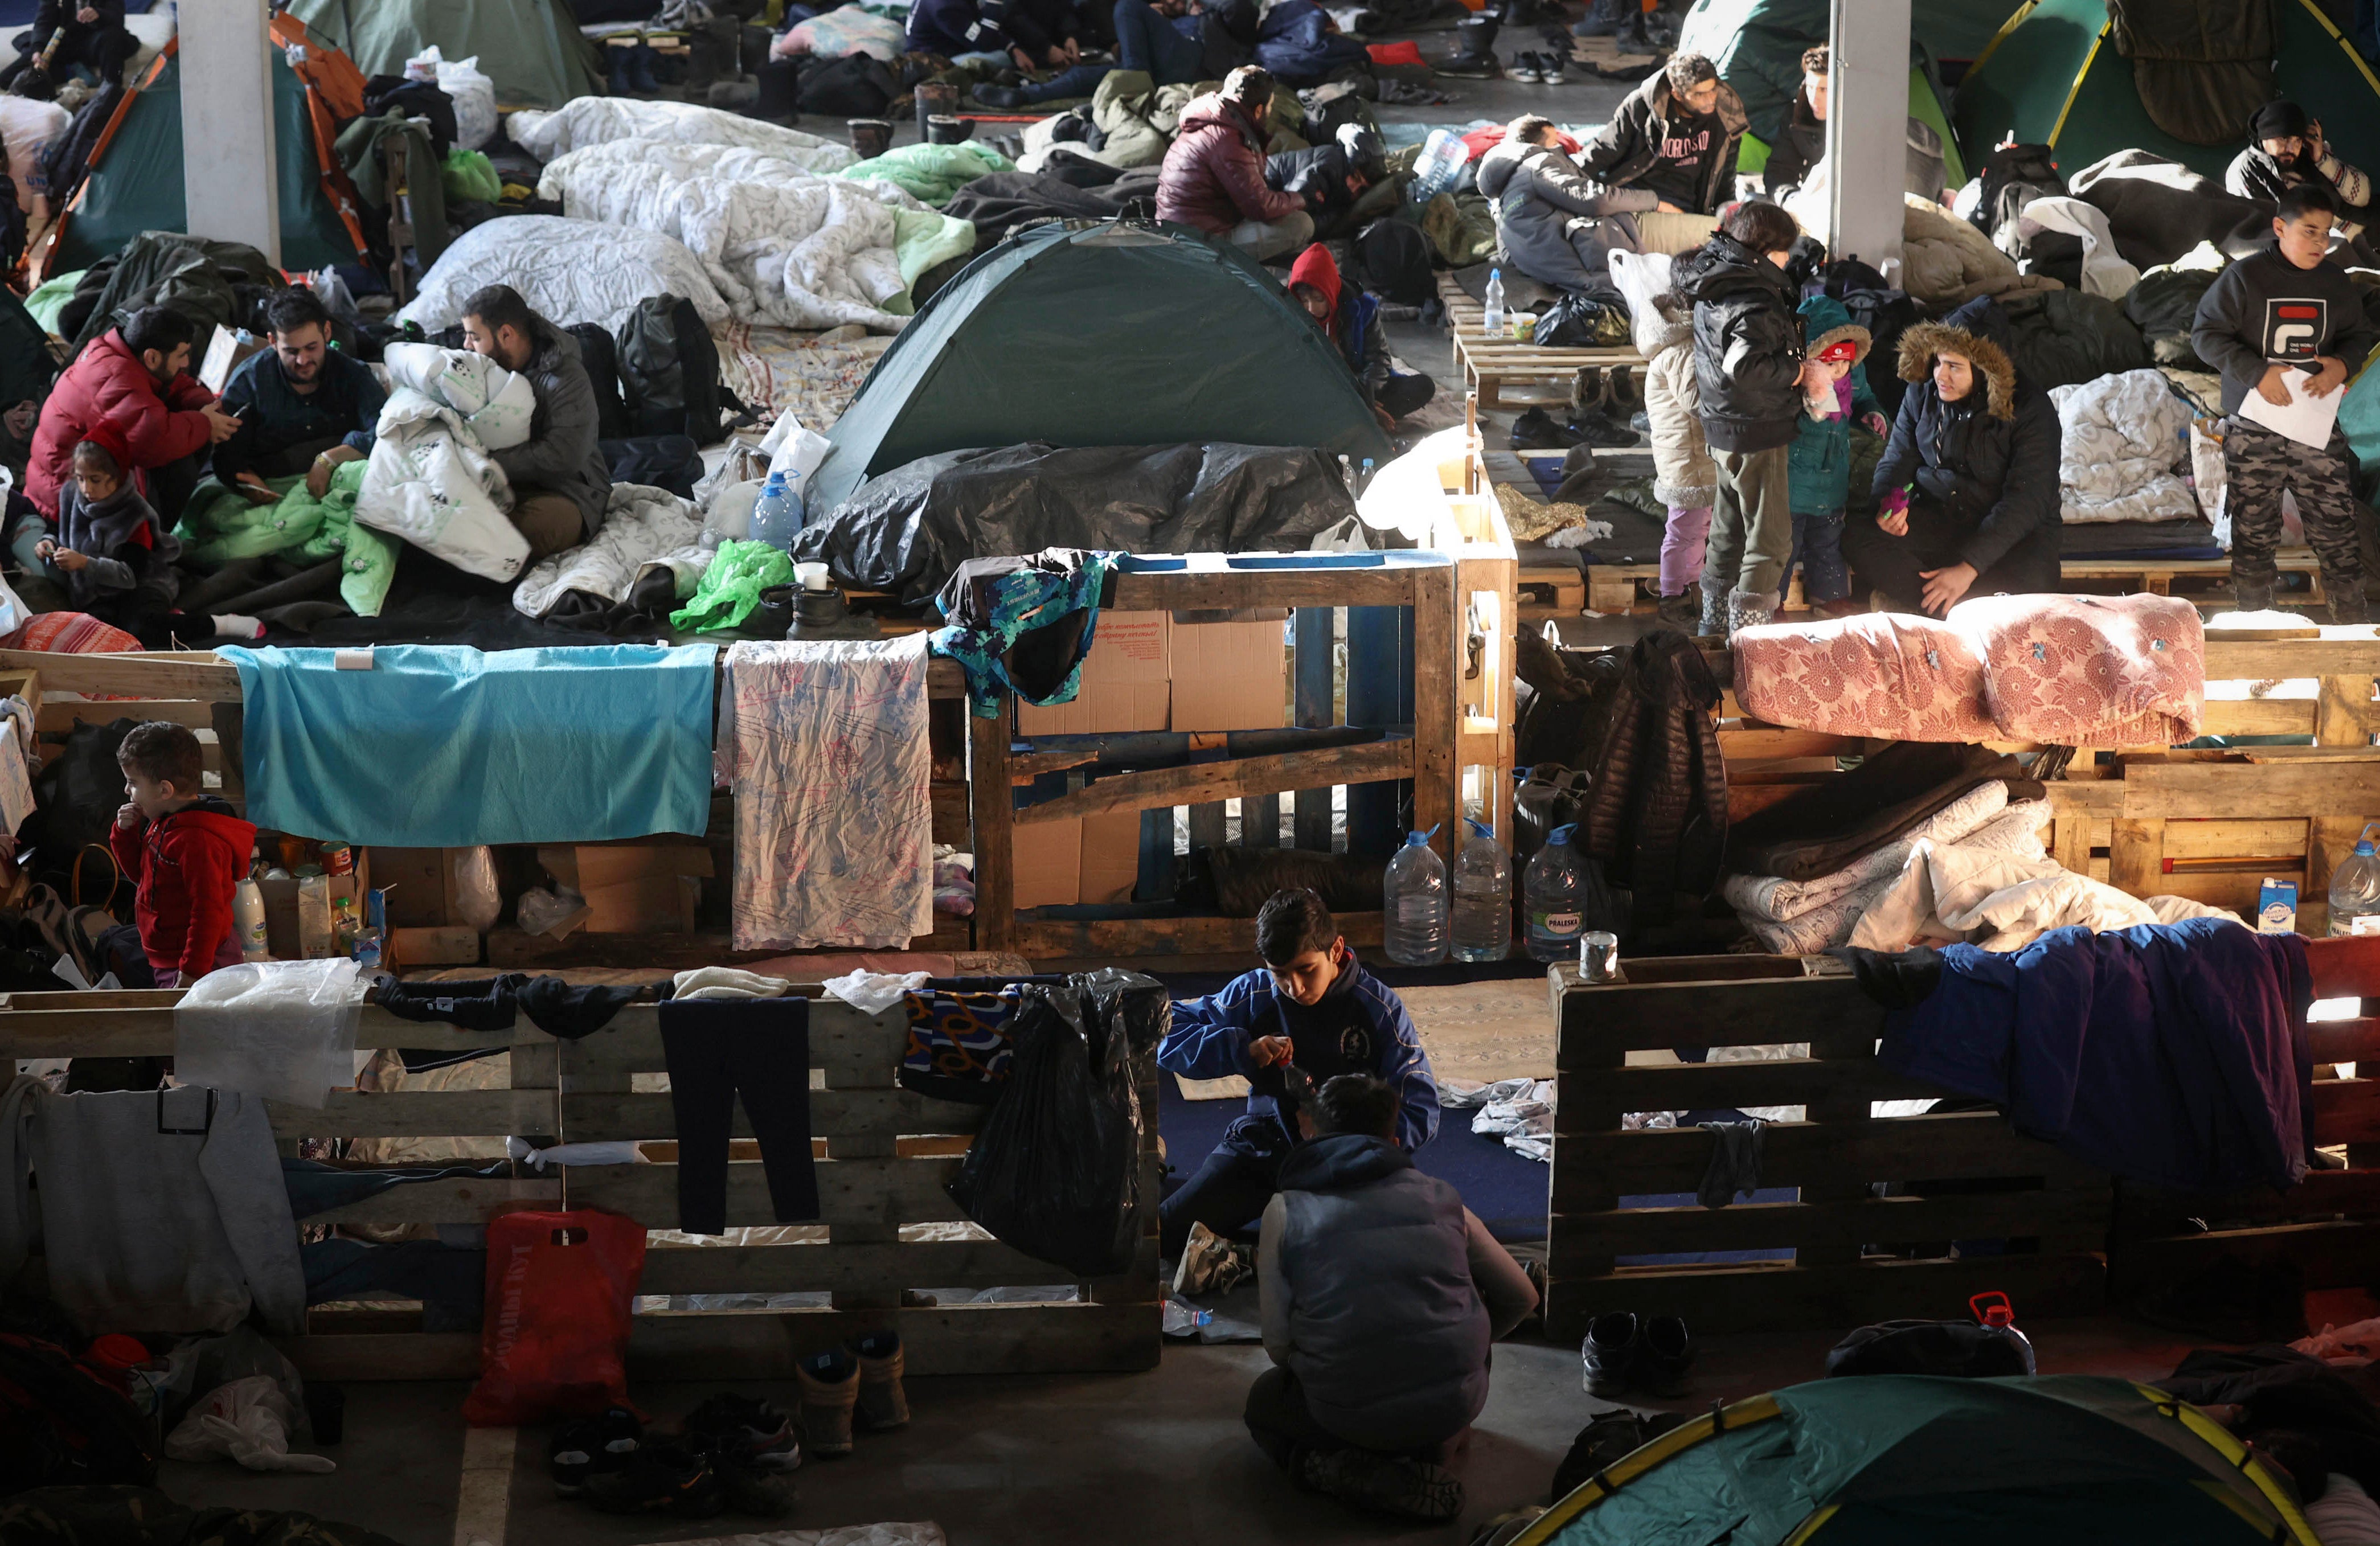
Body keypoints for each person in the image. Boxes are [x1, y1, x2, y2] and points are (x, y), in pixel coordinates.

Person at [1244, 1073, 1538, 1521]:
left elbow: (1278, 1347)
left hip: (1342, 1417)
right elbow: (1521, 1297)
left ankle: (1327, 1467)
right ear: (1396, 1140)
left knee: (1264, 1402)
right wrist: (1460, 1343)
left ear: (1310, 1134)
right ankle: (1432, 1451)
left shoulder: (1286, 1210)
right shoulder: (1445, 1199)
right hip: (1447, 1412)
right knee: (1471, 1317)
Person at [1156, 888, 1439, 1260]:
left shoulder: (1379, 1008)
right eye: (1281, 974)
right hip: (1265, 1148)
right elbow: (1162, 1030)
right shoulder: (1255, 991)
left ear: (1335, 950)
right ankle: (1158, 1169)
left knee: (1384, 1255)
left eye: (1307, 970)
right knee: (1165, 1235)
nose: (1296, 987)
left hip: (1348, 1164)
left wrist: (1340, 1139)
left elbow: (1422, 1110)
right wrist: (1240, 1049)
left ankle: (1265, 1250)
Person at [2191, 183, 2379, 621]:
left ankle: (2350, 631)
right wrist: (2256, 373)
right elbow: (2205, 335)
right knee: (2254, 531)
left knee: (2336, 527)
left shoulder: (2334, 280)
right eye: (2308, 231)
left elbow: (2358, 335)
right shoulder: (2244, 278)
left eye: (2325, 233)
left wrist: (2341, 365)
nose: (2318, 242)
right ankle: (2256, 626)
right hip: (2255, 423)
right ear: (2279, 227)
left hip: (2313, 423)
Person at [1840, 304, 2061, 616]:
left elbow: (2029, 499)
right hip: (1943, 519)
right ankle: (1958, 608)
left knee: (2034, 585)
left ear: (1986, 371)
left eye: (1954, 367)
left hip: (2010, 537)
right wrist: (1888, 507)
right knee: (1856, 535)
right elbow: (1898, 458)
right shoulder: (1923, 392)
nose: (1940, 376)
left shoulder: (2030, 409)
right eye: (1938, 362)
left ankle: (1935, 605)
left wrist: (1968, 567)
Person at [1674, 199, 1814, 636]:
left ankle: (1713, 630)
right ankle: (1748, 647)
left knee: (1729, 531)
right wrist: (1798, 372)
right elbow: (1744, 367)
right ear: (1763, 248)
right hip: (1756, 429)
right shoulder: (1754, 295)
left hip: (1722, 425)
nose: (1788, 259)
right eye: (1783, 251)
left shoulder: (1716, 279)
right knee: (1770, 541)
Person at [38, 434, 263, 647]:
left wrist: (85, 563)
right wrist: (47, 541)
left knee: (141, 628)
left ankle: (223, 624)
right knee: (92, 633)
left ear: (116, 477)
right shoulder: (70, 494)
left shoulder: (135, 514)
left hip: (140, 585)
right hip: (96, 591)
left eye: (95, 480)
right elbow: (57, 527)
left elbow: (130, 576)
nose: (86, 489)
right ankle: (167, 619)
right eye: (81, 479)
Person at [27, 305, 237, 525]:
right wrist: (205, 423)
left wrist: (209, 406)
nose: (186, 363)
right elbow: (154, 439)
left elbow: (175, 385)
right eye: (182, 355)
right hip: (66, 509)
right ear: (152, 357)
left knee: (188, 433)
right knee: (180, 463)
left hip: (72, 486)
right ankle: (155, 546)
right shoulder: (115, 378)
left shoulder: (118, 353)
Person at [457, 284, 610, 560]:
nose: (466, 346)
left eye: (474, 337)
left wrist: (488, 462)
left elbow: (564, 456)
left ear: (506, 334)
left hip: (568, 491)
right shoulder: (483, 369)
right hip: (503, 484)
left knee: (522, 534)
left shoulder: (565, 378)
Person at [109, 720, 258, 990]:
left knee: (199, 1028)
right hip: (170, 956)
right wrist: (124, 833)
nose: (126, 791)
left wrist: (192, 972)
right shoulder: (164, 820)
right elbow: (140, 877)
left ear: (165, 790)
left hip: (203, 962)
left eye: (132, 783)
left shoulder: (197, 841)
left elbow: (208, 911)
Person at [212, 288, 386, 504]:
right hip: (272, 484)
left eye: (311, 348)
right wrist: (245, 478)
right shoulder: (248, 383)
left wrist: (329, 459)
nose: (303, 361)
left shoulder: (353, 375)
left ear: (327, 332)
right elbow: (226, 453)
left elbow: (384, 429)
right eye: (291, 352)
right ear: (272, 342)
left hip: (341, 479)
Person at [1782, 294, 1889, 619]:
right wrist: (1814, 398)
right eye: (1830, 364)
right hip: (1795, 480)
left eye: (1845, 362)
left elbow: (1865, 398)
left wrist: (1872, 413)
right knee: (1784, 545)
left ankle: (1829, 597)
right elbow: (1808, 411)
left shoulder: (1852, 376)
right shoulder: (1796, 382)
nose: (1840, 370)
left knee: (1828, 539)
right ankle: (1770, 601)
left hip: (1832, 479)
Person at [1154, 65, 1315, 261]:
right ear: (1258, 110)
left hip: (1183, 226)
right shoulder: (1228, 140)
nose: (1271, 111)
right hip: (1194, 245)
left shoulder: (1215, 119)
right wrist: (1301, 198)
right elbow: (1261, 207)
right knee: (1301, 224)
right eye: (1270, 106)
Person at [1474, 114, 1644, 296]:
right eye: (1555, 141)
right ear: (1542, 141)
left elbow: (1507, 256)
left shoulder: (1500, 187)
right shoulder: (1539, 165)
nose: (1559, 147)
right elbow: (1595, 200)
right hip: (1589, 277)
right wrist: (1652, 200)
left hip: (1543, 270)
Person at [1577, 51, 1746, 219]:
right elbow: (1603, 151)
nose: (1710, 100)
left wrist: (1727, 215)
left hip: (1684, 210)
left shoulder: (1726, 115)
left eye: (1713, 90)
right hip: (1634, 200)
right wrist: (1569, 184)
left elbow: (1725, 176)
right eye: (1699, 95)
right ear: (1677, 95)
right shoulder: (1641, 107)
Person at [1287, 244, 1435, 430]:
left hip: (1364, 387)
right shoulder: (1292, 315)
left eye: (1319, 299)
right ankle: (1366, 419)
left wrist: (1367, 398)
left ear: (1332, 290)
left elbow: (1379, 358)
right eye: (1305, 301)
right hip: (1323, 392)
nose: (1311, 309)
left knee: (1423, 386)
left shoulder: (1362, 309)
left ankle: (1359, 418)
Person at [1642, 288, 1716, 628]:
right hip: (1689, 462)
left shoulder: (1673, 347)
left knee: (1693, 529)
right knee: (1684, 531)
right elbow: (1696, 402)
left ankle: (1687, 588)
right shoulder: (1684, 350)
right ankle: (1672, 595)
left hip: (1686, 458)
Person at [973, 0, 1209, 105]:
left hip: (1191, 59)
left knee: (1128, 5)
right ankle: (1024, 96)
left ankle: (1134, 81)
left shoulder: (1204, 19)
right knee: (1083, 76)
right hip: (1156, 66)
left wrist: (1192, 11)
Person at [2226, 101, 2372, 232]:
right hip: (2326, 250)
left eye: (2297, 140)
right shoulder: (2244, 171)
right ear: (2264, 138)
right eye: (2283, 139)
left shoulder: (2309, 155)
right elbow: (2256, 234)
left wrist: (2323, 161)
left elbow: (2362, 197)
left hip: (2361, 231)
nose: (2291, 148)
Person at [1, 0, 140, 95]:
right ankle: (71, 72)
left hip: (95, 40)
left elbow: (117, 18)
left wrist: (99, 14)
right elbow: (44, 21)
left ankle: (110, 92)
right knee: (8, 78)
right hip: (63, 41)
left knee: (113, 38)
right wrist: (38, 49)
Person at [1760, 44, 1830, 194]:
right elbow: (1779, 171)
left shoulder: (1856, 120)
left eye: (1824, 90)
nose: (1814, 98)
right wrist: (1789, 199)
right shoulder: (1796, 116)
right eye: (1810, 87)